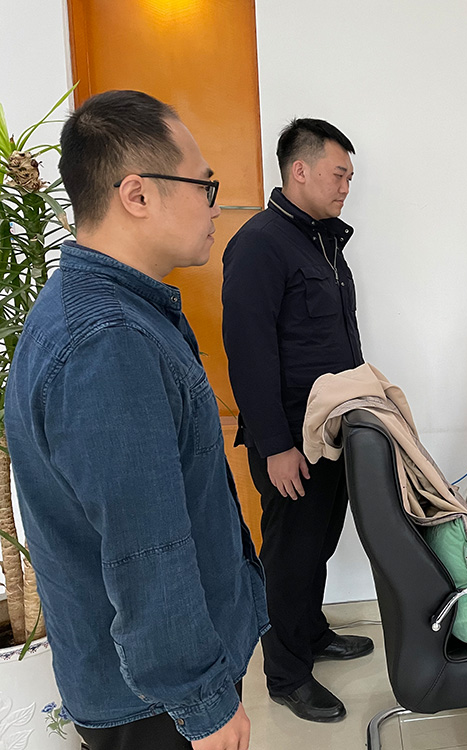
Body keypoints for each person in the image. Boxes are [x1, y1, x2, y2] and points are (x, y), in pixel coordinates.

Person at [6, 90, 268, 750]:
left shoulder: (105, 311)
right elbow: (146, 550)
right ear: (137, 194)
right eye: (204, 185)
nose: (215, 204)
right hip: (153, 706)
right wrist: (203, 705)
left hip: (148, 688)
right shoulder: (107, 342)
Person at [221, 118, 372, 722]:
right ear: (300, 170)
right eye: (340, 175)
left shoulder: (322, 243)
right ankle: (286, 674)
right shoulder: (260, 244)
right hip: (290, 440)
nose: (346, 188)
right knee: (289, 554)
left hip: (331, 430)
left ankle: (311, 633)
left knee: (319, 543)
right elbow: (249, 353)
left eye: (351, 178)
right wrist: (276, 446)